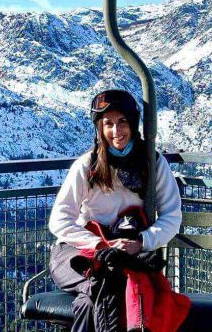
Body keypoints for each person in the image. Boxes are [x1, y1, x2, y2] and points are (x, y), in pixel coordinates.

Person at [48, 89, 186, 332]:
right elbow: (59, 220)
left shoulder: (152, 164)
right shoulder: (88, 165)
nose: (116, 131)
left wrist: (143, 242)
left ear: (133, 124)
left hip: (122, 254)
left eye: (122, 122)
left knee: (91, 297)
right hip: (77, 253)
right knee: (104, 282)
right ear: (99, 128)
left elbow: (172, 215)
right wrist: (100, 245)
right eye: (108, 124)